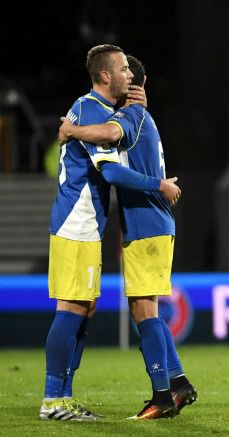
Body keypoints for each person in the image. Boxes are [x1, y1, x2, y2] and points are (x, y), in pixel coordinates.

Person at [40, 44, 181, 421]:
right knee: (71, 307)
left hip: (87, 223)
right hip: (77, 220)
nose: (129, 76)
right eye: (123, 69)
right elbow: (113, 172)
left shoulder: (97, 113)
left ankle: (64, 397)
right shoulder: (91, 108)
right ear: (106, 75)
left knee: (83, 309)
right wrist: (160, 184)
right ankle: (53, 398)